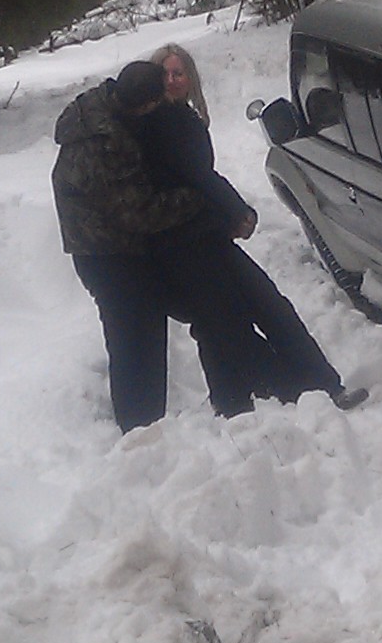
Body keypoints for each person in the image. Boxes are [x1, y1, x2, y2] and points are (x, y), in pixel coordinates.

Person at [137, 43, 364, 413]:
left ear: (191, 78)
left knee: (250, 312)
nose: (172, 80)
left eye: (179, 73)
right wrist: (238, 211)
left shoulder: (181, 118)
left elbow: (200, 178)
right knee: (231, 321)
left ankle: (249, 402)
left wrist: (228, 213)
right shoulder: (161, 122)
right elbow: (198, 177)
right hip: (183, 245)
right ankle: (300, 394)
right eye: (165, 74)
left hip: (205, 236)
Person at [52, 59, 210, 430]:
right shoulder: (109, 143)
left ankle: (144, 424)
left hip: (98, 247)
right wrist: (196, 197)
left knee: (137, 334)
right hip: (107, 255)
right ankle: (141, 429)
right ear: (145, 104)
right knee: (136, 339)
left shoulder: (95, 107)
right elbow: (140, 213)